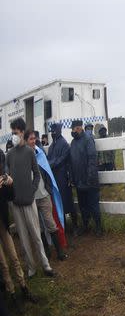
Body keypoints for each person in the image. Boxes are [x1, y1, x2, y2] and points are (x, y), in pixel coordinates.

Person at [6, 118, 55, 277]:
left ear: (21, 132)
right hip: (16, 203)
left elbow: (37, 175)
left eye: (15, 132)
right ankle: (31, 268)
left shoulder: (29, 152)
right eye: (12, 132)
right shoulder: (9, 154)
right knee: (23, 239)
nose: (13, 135)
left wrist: (32, 191)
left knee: (36, 234)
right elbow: (7, 176)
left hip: (29, 201)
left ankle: (45, 265)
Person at [0, 151, 37, 306]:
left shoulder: (2, 176)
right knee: (3, 263)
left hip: (3, 223)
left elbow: (10, 197)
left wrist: (10, 183)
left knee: (14, 257)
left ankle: (23, 287)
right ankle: (12, 293)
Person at [26, 131, 67, 261]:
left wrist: (48, 189)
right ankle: (47, 252)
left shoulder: (40, 154)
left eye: (34, 139)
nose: (33, 141)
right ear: (26, 141)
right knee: (39, 226)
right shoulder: (24, 157)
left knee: (50, 223)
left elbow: (47, 172)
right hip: (31, 198)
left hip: (43, 195)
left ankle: (59, 252)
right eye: (31, 139)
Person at [70, 120, 102, 235]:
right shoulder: (73, 143)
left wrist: (90, 178)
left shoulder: (88, 139)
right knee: (82, 206)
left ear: (78, 128)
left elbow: (92, 159)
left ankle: (98, 227)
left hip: (90, 180)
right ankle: (85, 225)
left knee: (93, 204)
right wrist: (73, 178)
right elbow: (72, 162)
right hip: (79, 181)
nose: (72, 132)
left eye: (73, 129)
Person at [47, 123, 78, 234]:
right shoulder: (51, 146)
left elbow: (61, 160)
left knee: (68, 203)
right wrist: (51, 163)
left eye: (54, 131)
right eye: (51, 131)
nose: (52, 133)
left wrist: (51, 163)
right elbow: (48, 160)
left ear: (59, 131)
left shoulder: (64, 144)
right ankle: (63, 226)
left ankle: (75, 227)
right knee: (58, 203)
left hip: (64, 178)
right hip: (55, 179)